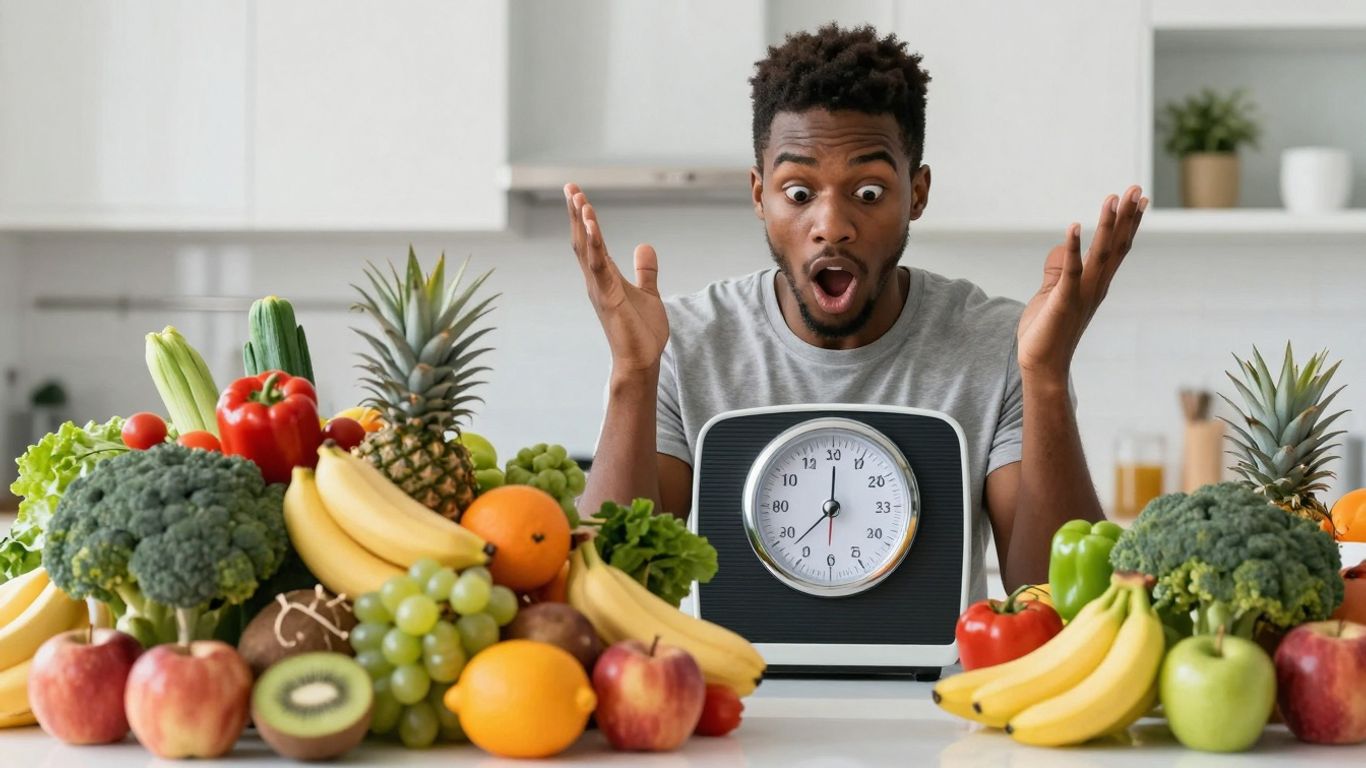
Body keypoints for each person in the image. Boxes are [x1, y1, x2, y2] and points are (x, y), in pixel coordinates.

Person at [564, 24, 1145, 599]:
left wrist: (1045, 377)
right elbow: (612, 588)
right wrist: (632, 376)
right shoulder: (681, 343)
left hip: (936, 692)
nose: (832, 226)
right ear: (757, 194)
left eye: (868, 192)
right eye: (798, 192)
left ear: (916, 194)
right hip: (738, 688)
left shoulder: (1004, 346)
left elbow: (1055, 600)